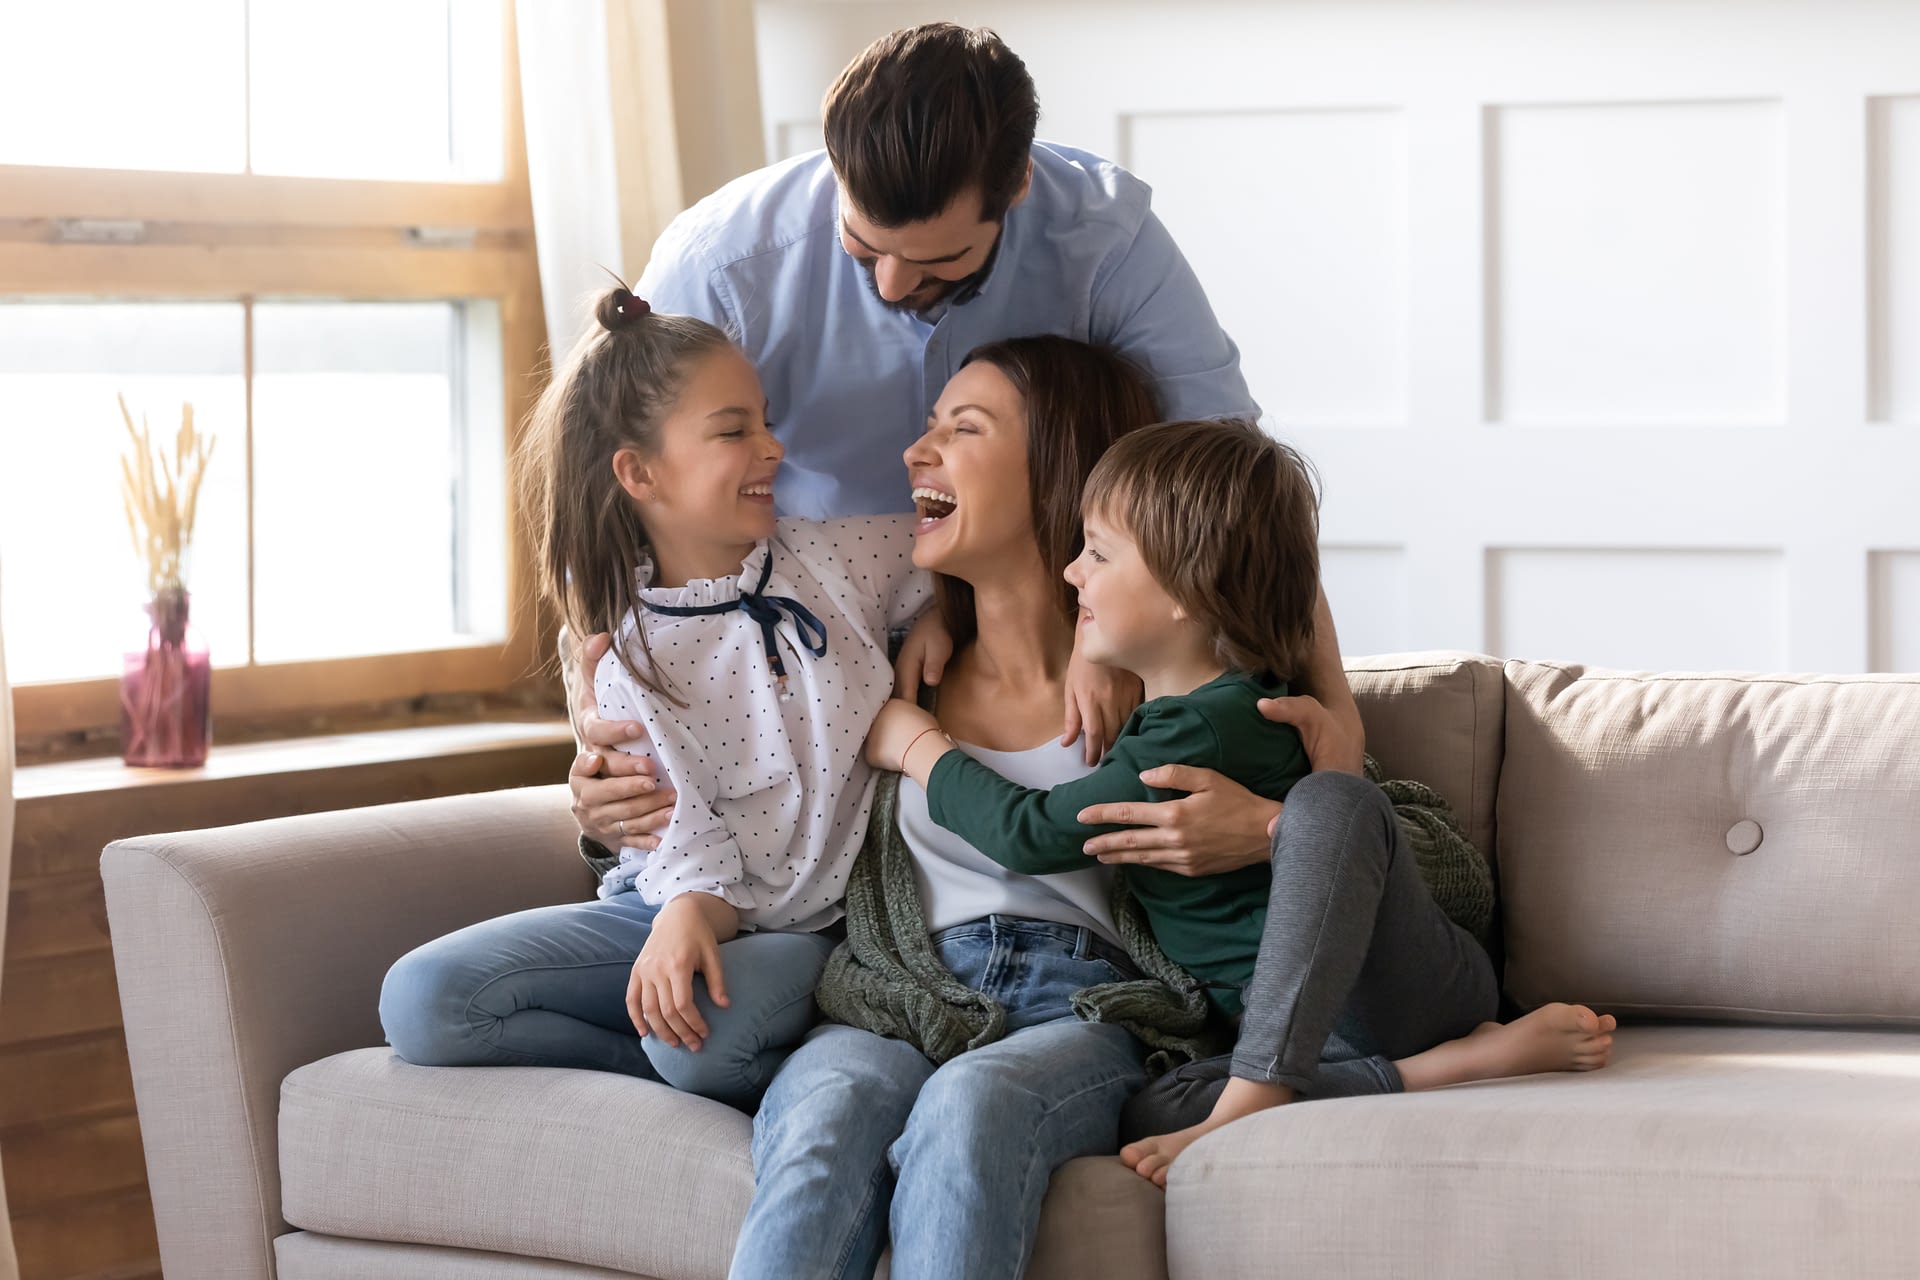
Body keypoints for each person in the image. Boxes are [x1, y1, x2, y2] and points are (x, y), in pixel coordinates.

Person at [571, 20, 1366, 858]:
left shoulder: (1108, 245)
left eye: (938, 263)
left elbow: (1237, 494)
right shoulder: (723, 263)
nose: (891, 283)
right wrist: (599, 722)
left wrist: (1332, 722)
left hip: (1045, 620)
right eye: (863, 246)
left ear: (1015, 186)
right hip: (793, 655)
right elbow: (614, 506)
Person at [868, 419, 1617, 1188]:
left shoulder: (1216, 719)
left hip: (1393, 986)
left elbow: (1029, 834)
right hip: (1296, 1031)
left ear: (1188, 594)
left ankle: (1266, 1091)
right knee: (1153, 1106)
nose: (1070, 573)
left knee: (1333, 803)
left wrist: (920, 747)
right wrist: (948, 616)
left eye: (1097, 552)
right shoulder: (1172, 719)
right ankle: (1423, 1072)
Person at [378, 287, 936, 1109]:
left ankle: (713, 1054)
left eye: (765, 421)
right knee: (423, 1002)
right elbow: (676, 836)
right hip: (670, 906)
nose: (773, 448)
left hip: (801, 931)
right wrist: (682, 919)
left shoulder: (835, 559)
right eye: (733, 430)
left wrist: (947, 612)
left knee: (704, 1045)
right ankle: (664, 1066)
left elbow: (958, 544)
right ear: (639, 473)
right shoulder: (621, 649)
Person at [727, 335, 1195, 1280]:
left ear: (1058, 467)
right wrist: (608, 799)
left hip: (1085, 1007)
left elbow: (1347, 817)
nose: (916, 450)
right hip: (900, 993)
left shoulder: (1165, 670)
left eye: (963, 428)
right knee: (823, 1117)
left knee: (976, 1102)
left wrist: (1278, 814)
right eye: (931, 423)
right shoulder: (881, 661)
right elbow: (724, 751)